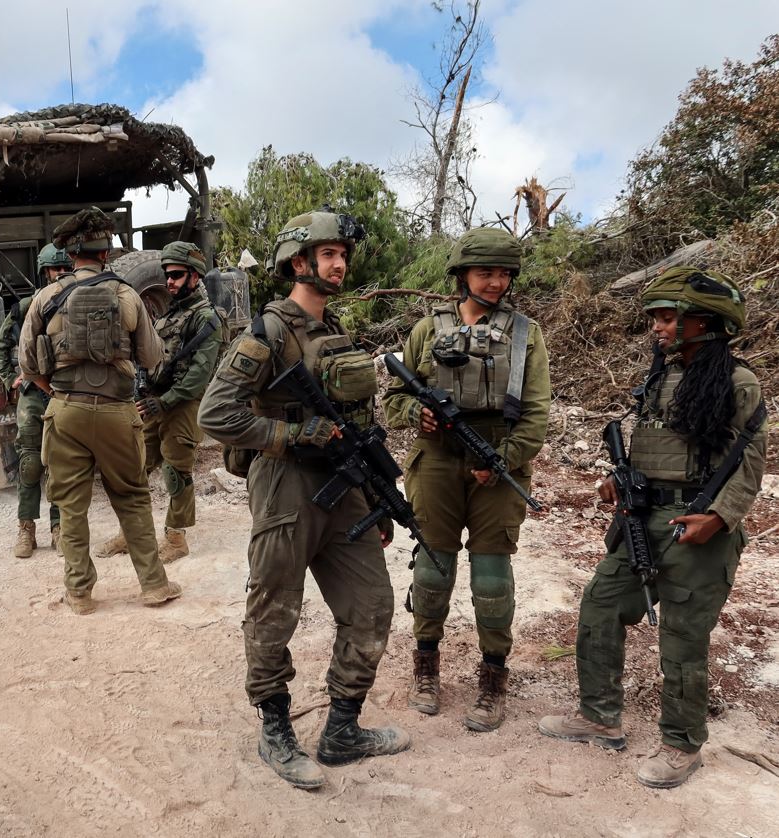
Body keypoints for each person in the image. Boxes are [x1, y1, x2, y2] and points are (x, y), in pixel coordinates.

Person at [199, 209, 408, 790]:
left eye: (343, 254)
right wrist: (289, 436)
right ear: (300, 263)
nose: (339, 263)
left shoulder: (335, 332)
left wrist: (376, 497)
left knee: (371, 606)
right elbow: (215, 414)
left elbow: (356, 423)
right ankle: (275, 729)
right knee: (274, 609)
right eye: (328, 254)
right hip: (286, 487)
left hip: (344, 491)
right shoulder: (265, 335)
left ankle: (342, 729)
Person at [539, 267, 765, 789]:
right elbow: (656, 443)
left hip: (698, 523)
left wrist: (720, 516)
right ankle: (599, 717)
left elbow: (751, 458)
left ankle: (682, 744)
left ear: (704, 323)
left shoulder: (737, 381)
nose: (656, 329)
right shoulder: (660, 376)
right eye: (655, 319)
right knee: (600, 605)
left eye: (667, 318)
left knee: (682, 636)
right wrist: (620, 482)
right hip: (642, 517)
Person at [381, 227, 551, 732]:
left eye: (503, 274)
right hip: (434, 460)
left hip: (498, 461)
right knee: (432, 568)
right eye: (486, 273)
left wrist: (502, 457)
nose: (497, 282)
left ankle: (493, 677)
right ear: (462, 276)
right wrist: (418, 413)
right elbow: (392, 399)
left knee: (492, 578)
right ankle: (426, 666)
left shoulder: (526, 334)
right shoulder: (427, 330)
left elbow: (537, 413)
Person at [18, 207, 183, 615]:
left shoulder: (46, 297)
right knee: (131, 498)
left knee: (71, 505)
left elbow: (27, 364)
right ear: (106, 254)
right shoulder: (127, 295)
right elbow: (150, 356)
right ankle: (154, 586)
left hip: (65, 411)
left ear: (71, 255)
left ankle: (79, 593)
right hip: (117, 412)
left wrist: (54, 391)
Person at [97, 241, 223, 564]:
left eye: (177, 275)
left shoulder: (206, 319)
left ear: (195, 277)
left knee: (176, 471)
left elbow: (198, 375)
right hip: (155, 401)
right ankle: (130, 533)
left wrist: (164, 402)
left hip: (181, 405)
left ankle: (176, 538)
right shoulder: (171, 314)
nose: (169, 281)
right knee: (137, 467)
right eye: (167, 275)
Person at [0, 244, 72, 557]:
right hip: (33, 395)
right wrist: (9, 378)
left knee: (61, 464)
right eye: (55, 270)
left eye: (65, 269)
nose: (61, 275)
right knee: (29, 463)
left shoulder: (76, 305)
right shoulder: (26, 308)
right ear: (44, 272)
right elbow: (0, 346)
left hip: (63, 393)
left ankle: (59, 529)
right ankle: (26, 529)